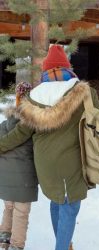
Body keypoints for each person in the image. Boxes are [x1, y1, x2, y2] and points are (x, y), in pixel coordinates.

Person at [0, 45, 99, 250]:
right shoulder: (85, 93)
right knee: (70, 207)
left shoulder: (35, 97)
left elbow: (21, 133)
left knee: (57, 201)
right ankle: (62, 247)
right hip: (71, 161)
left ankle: (64, 244)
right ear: (68, 69)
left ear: (46, 72)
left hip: (45, 165)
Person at [0, 82, 37, 250]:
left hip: (6, 177)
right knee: (21, 213)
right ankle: (16, 246)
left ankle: (3, 242)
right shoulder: (33, 123)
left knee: (9, 208)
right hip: (24, 177)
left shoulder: (5, 123)